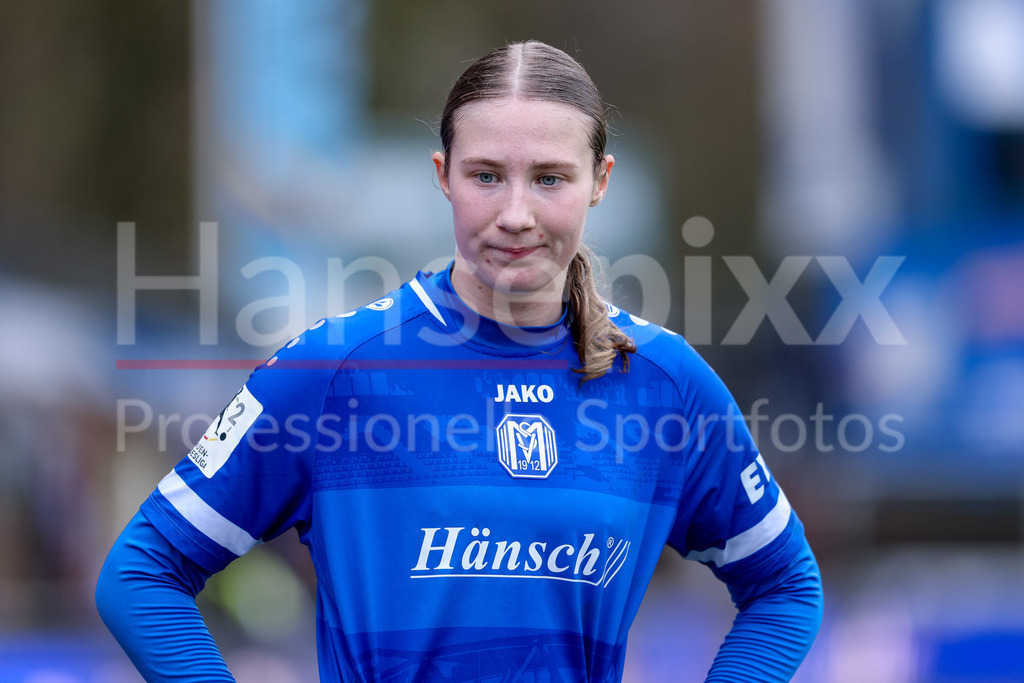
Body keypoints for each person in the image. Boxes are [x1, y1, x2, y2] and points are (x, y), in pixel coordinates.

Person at [96, 40, 823, 681]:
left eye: (550, 178)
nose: (515, 214)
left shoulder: (665, 383)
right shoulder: (335, 370)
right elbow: (141, 572)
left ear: (600, 181)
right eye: (486, 176)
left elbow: (785, 586)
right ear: (443, 175)